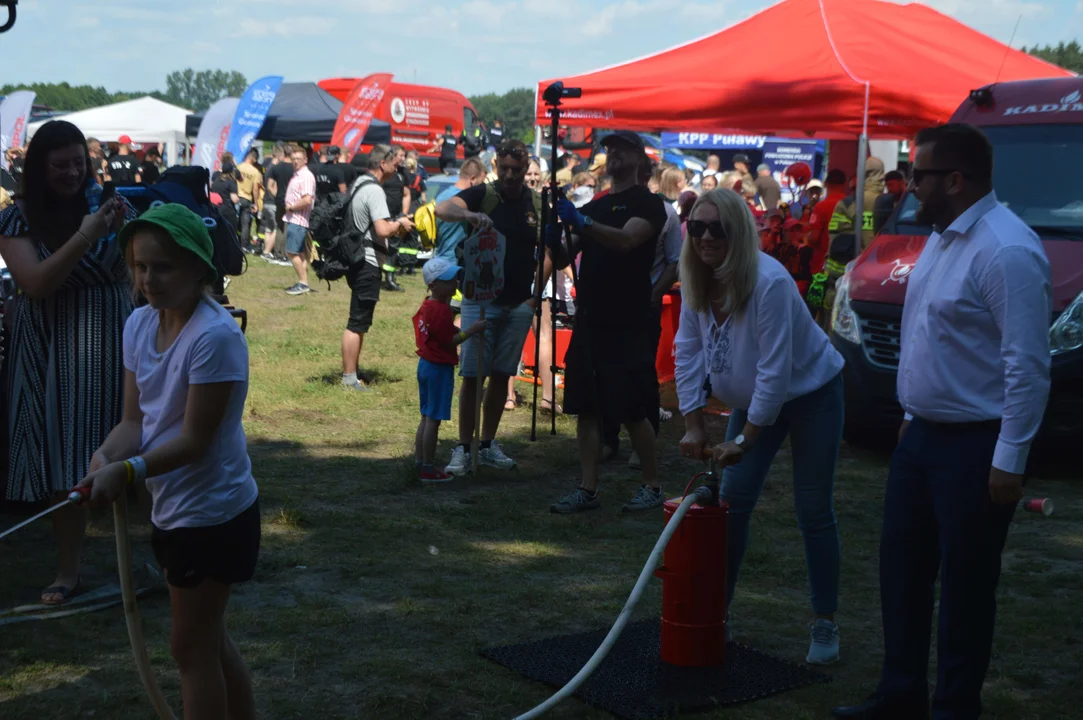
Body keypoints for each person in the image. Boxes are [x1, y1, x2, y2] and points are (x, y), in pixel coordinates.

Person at [832, 124, 1053, 720]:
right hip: (923, 437)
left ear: (954, 180)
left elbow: (1027, 365)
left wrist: (1009, 458)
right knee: (901, 572)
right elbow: (929, 335)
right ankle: (900, 692)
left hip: (976, 444)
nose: (908, 186)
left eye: (920, 175)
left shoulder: (1006, 248)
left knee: (965, 586)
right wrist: (911, 413)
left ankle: (955, 707)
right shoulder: (944, 238)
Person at [79, 203, 259, 720]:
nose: (147, 279)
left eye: (162, 267)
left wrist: (129, 471)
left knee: (190, 649)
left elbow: (195, 440)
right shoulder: (138, 324)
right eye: (138, 266)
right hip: (174, 507)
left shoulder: (214, 337)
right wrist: (107, 455)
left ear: (198, 268)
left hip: (214, 513)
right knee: (209, 640)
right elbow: (135, 421)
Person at [675, 187, 845, 664]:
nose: (706, 237)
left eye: (718, 229)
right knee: (731, 503)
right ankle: (716, 615)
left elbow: (775, 370)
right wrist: (692, 424)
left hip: (812, 394)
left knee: (813, 508)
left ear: (739, 232)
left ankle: (825, 623)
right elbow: (687, 352)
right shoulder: (696, 278)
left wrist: (745, 440)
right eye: (697, 227)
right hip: (755, 401)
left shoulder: (768, 283)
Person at [0, 120, 135, 604]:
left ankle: (151, 553)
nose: (72, 172)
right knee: (64, 454)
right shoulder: (17, 219)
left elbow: (138, 271)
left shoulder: (110, 205)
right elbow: (34, 283)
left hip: (116, 341)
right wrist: (86, 234)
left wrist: (122, 231)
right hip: (55, 347)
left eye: (79, 162)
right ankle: (68, 570)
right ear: (39, 167)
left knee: (133, 444)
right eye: (60, 165)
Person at [547, 130, 668, 513]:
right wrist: (554, 236)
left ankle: (651, 486)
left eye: (621, 148)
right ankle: (588, 488)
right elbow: (566, 258)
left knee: (632, 408)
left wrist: (580, 222)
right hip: (590, 319)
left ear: (640, 158)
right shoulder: (597, 206)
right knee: (586, 407)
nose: (612, 153)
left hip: (627, 320)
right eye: (609, 149)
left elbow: (626, 241)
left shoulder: (650, 205)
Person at [434, 139, 541, 475]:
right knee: (471, 375)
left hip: (519, 302)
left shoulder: (536, 203)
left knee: (501, 374)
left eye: (516, 169)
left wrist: (534, 294)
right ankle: (464, 447)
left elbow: (549, 247)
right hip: (480, 301)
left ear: (526, 169)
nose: (509, 175)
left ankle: (487, 443)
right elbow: (442, 208)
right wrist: (469, 214)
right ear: (496, 165)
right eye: (504, 168)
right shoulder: (484, 193)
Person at [341, 145, 415, 392]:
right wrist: (400, 223)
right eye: (395, 161)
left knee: (360, 321)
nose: (398, 166)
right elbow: (383, 229)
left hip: (358, 259)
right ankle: (349, 378)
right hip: (367, 262)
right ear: (383, 163)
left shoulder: (360, 182)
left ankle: (353, 371)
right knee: (357, 322)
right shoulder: (374, 190)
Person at [413, 258, 488, 482]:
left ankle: (419, 462)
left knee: (426, 417)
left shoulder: (428, 305)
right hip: (438, 368)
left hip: (426, 365)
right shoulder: (441, 310)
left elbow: (439, 332)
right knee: (433, 419)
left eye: (454, 276)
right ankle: (428, 468)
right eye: (448, 280)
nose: (455, 281)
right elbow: (449, 341)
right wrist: (471, 330)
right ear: (433, 285)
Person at [433, 156, 486, 263]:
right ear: (473, 179)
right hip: (453, 262)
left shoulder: (443, 195)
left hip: (440, 258)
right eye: (481, 183)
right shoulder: (463, 200)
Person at [281, 146, 316, 295]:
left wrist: (292, 208)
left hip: (298, 219)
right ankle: (303, 282)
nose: (295, 161)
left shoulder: (306, 176)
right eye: (293, 159)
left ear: (305, 160)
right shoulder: (297, 175)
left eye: (298, 159)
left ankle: (303, 282)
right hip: (294, 219)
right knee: (300, 253)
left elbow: (307, 199)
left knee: (291, 252)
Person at [808, 169, 849, 274]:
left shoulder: (821, 207)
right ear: (845, 184)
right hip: (844, 263)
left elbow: (814, 238)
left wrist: (805, 237)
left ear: (826, 184)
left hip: (823, 264)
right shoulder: (850, 205)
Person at [267, 143, 295, 264]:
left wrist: (277, 195)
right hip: (292, 201)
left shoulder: (276, 167)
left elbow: (269, 186)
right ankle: (285, 254)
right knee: (289, 227)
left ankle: (277, 253)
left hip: (279, 200)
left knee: (280, 226)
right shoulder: (295, 168)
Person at [236, 148, 264, 250]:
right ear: (255, 159)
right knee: (245, 223)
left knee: (236, 222)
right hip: (247, 198)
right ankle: (244, 245)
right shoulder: (255, 172)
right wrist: (256, 203)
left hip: (237, 197)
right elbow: (255, 189)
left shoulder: (239, 167)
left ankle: (236, 241)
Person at [210, 153, 240, 232]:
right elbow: (234, 199)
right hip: (228, 212)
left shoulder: (216, 181)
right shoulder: (231, 182)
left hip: (215, 210)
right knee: (231, 234)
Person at [872, 170, 906, 235]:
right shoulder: (887, 202)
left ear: (901, 182)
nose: (889, 189)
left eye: (891, 185)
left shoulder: (911, 201)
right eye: (887, 186)